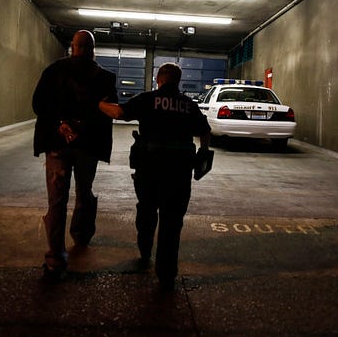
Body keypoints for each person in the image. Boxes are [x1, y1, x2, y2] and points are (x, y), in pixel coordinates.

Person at [99, 62, 211, 289]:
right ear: (178, 81)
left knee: (147, 209)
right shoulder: (189, 105)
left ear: (159, 79)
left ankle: (145, 248)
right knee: (172, 221)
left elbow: (119, 112)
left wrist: (99, 103)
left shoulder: (147, 99)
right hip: (179, 174)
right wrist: (202, 153)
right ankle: (166, 274)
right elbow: (205, 131)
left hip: (149, 170)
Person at [32, 30, 117, 281]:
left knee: (57, 200)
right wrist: (82, 127)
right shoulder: (105, 78)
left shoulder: (53, 71)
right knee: (84, 191)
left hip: (57, 143)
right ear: (93, 49)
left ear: (72, 47)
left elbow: (38, 105)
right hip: (87, 146)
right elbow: (108, 111)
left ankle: (55, 259)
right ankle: (81, 234)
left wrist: (61, 123)